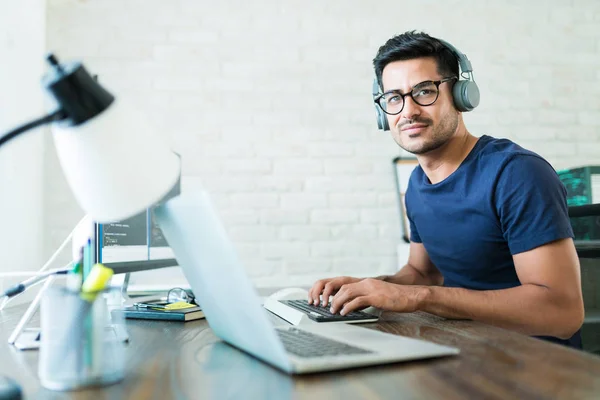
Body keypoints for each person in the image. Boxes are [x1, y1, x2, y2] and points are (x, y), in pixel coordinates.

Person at [308, 31, 584, 348]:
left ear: (461, 94)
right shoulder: (416, 183)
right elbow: (422, 273)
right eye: (394, 98)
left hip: (537, 366)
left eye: (424, 91)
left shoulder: (517, 174)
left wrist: (419, 297)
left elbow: (563, 314)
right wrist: (372, 288)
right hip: (464, 349)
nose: (408, 111)